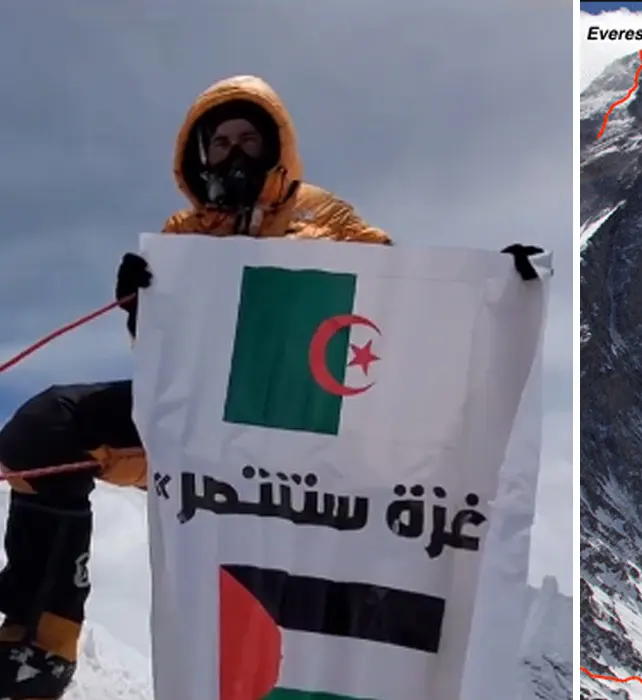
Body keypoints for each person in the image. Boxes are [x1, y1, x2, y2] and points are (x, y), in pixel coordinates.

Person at [0, 74, 542, 698]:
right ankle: (37, 646)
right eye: (219, 142)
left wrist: (499, 290)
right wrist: (141, 310)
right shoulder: (182, 236)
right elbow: (164, 365)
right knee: (46, 428)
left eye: (247, 140)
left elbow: (401, 303)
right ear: (198, 155)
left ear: (275, 148)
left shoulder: (327, 218)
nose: (232, 155)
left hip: (316, 431)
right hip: (210, 426)